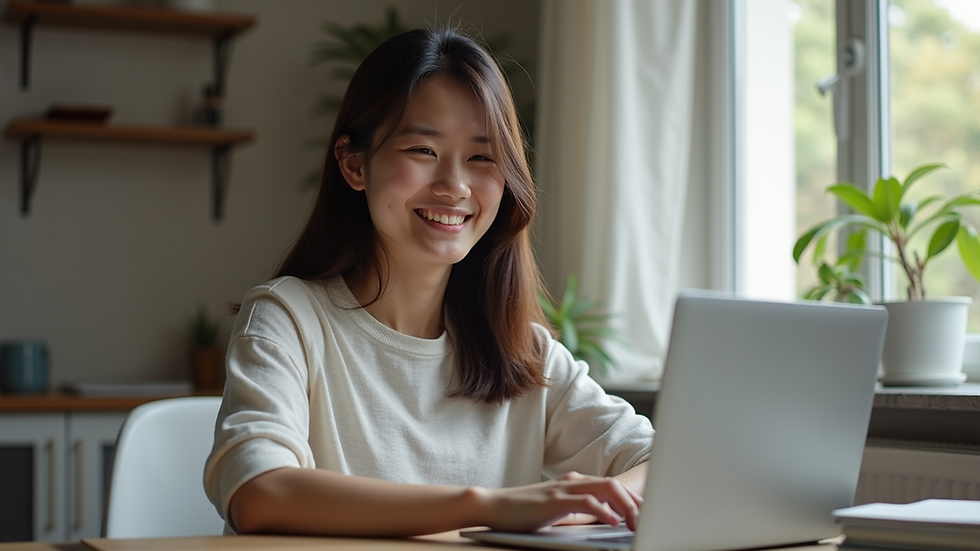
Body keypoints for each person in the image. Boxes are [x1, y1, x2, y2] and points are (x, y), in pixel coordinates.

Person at [203, 26, 654, 537]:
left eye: (482, 158)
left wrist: (584, 505)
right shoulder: (288, 318)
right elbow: (258, 493)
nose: (454, 186)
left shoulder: (520, 349)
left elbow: (661, 461)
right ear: (354, 164)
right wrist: (487, 507)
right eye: (422, 150)